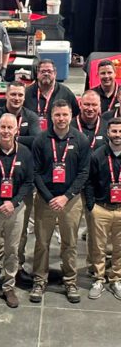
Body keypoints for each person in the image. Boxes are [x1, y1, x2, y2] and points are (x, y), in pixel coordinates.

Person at [30, 99, 90, 303]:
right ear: (51, 116)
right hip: (45, 199)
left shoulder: (80, 139)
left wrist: (66, 197)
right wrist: (49, 197)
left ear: (71, 116)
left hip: (70, 201)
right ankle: (39, 280)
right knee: (42, 242)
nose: (61, 119)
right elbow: (35, 172)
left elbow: (83, 173)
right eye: (57, 115)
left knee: (70, 243)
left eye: (65, 115)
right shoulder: (41, 140)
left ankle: (70, 281)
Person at [0, 114, 34, 309]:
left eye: (10, 127)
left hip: (16, 209)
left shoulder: (25, 153)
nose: (6, 131)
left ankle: (9, 286)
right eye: (3, 127)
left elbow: (28, 181)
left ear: (16, 129)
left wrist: (14, 202)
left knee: (12, 250)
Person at [0, 81, 41, 276]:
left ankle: (16, 266)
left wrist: (9, 138)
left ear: (24, 97)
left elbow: (36, 139)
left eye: (20, 95)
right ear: (6, 95)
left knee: (19, 230)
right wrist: (17, 137)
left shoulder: (31, 116)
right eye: (13, 95)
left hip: (21, 185)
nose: (17, 98)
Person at [70, 90, 107, 274]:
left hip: (97, 188)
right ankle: (69, 270)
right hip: (74, 188)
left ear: (99, 107)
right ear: (80, 105)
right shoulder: (69, 126)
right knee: (70, 233)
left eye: (94, 105)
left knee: (95, 232)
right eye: (86, 104)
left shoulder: (107, 127)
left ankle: (94, 268)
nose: (90, 108)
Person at [85, 118, 121, 300]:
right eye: (114, 131)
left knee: (119, 247)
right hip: (101, 208)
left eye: (120, 131)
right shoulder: (97, 155)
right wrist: (92, 206)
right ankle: (98, 278)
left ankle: (116, 279)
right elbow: (89, 182)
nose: (118, 135)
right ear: (107, 133)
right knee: (98, 247)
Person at [24, 59, 79, 131]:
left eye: (49, 71)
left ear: (55, 73)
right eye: (43, 71)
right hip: (32, 136)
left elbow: (76, 115)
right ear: (37, 74)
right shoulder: (26, 93)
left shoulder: (65, 93)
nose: (46, 74)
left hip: (57, 136)